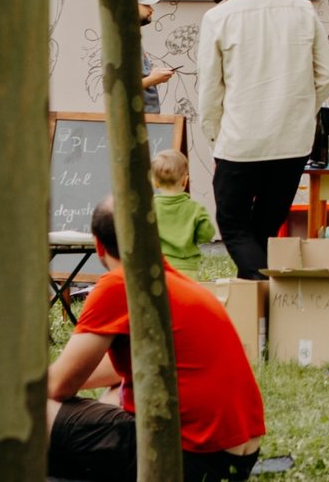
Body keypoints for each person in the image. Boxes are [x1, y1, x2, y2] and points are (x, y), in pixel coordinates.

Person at [47, 196, 266, 481]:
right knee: (118, 389)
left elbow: (57, 387)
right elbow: (116, 371)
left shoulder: (121, 283)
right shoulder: (176, 282)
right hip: (236, 459)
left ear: (99, 245)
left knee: (31, 407)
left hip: (186, 457)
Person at [197, 0, 329, 281]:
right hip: (292, 140)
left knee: (232, 223)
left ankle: (264, 292)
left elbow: (209, 89)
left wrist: (215, 137)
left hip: (240, 140)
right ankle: (261, 309)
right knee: (265, 223)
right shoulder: (302, 9)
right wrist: (301, 112)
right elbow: (326, 75)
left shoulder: (219, 17)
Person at [153, 149, 216, 267]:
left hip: (160, 267)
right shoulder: (195, 209)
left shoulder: (150, 208)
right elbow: (206, 235)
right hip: (188, 268)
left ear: (155, 183)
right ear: (185, 181)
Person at [137, 0, 175, 114]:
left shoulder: (132, 38)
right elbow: (120, 89)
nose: (151, 10)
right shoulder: (121, 42)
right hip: (135, 125)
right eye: (146, 5)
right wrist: (153, 79)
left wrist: (154, 74)